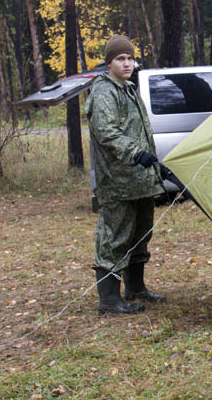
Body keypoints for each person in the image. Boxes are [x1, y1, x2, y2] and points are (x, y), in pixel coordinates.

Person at [85, 35, 167, 315]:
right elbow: (107, 133)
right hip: (118, 182)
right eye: (121, 58)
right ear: (109, 63)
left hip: (140, 180)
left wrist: (151, 162)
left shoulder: (129, 89)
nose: (127, 63)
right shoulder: (103, 92)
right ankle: (108, 299)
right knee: (115, 237)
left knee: (141, 234)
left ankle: (136, 287)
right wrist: (136, 153)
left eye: (130, 58)